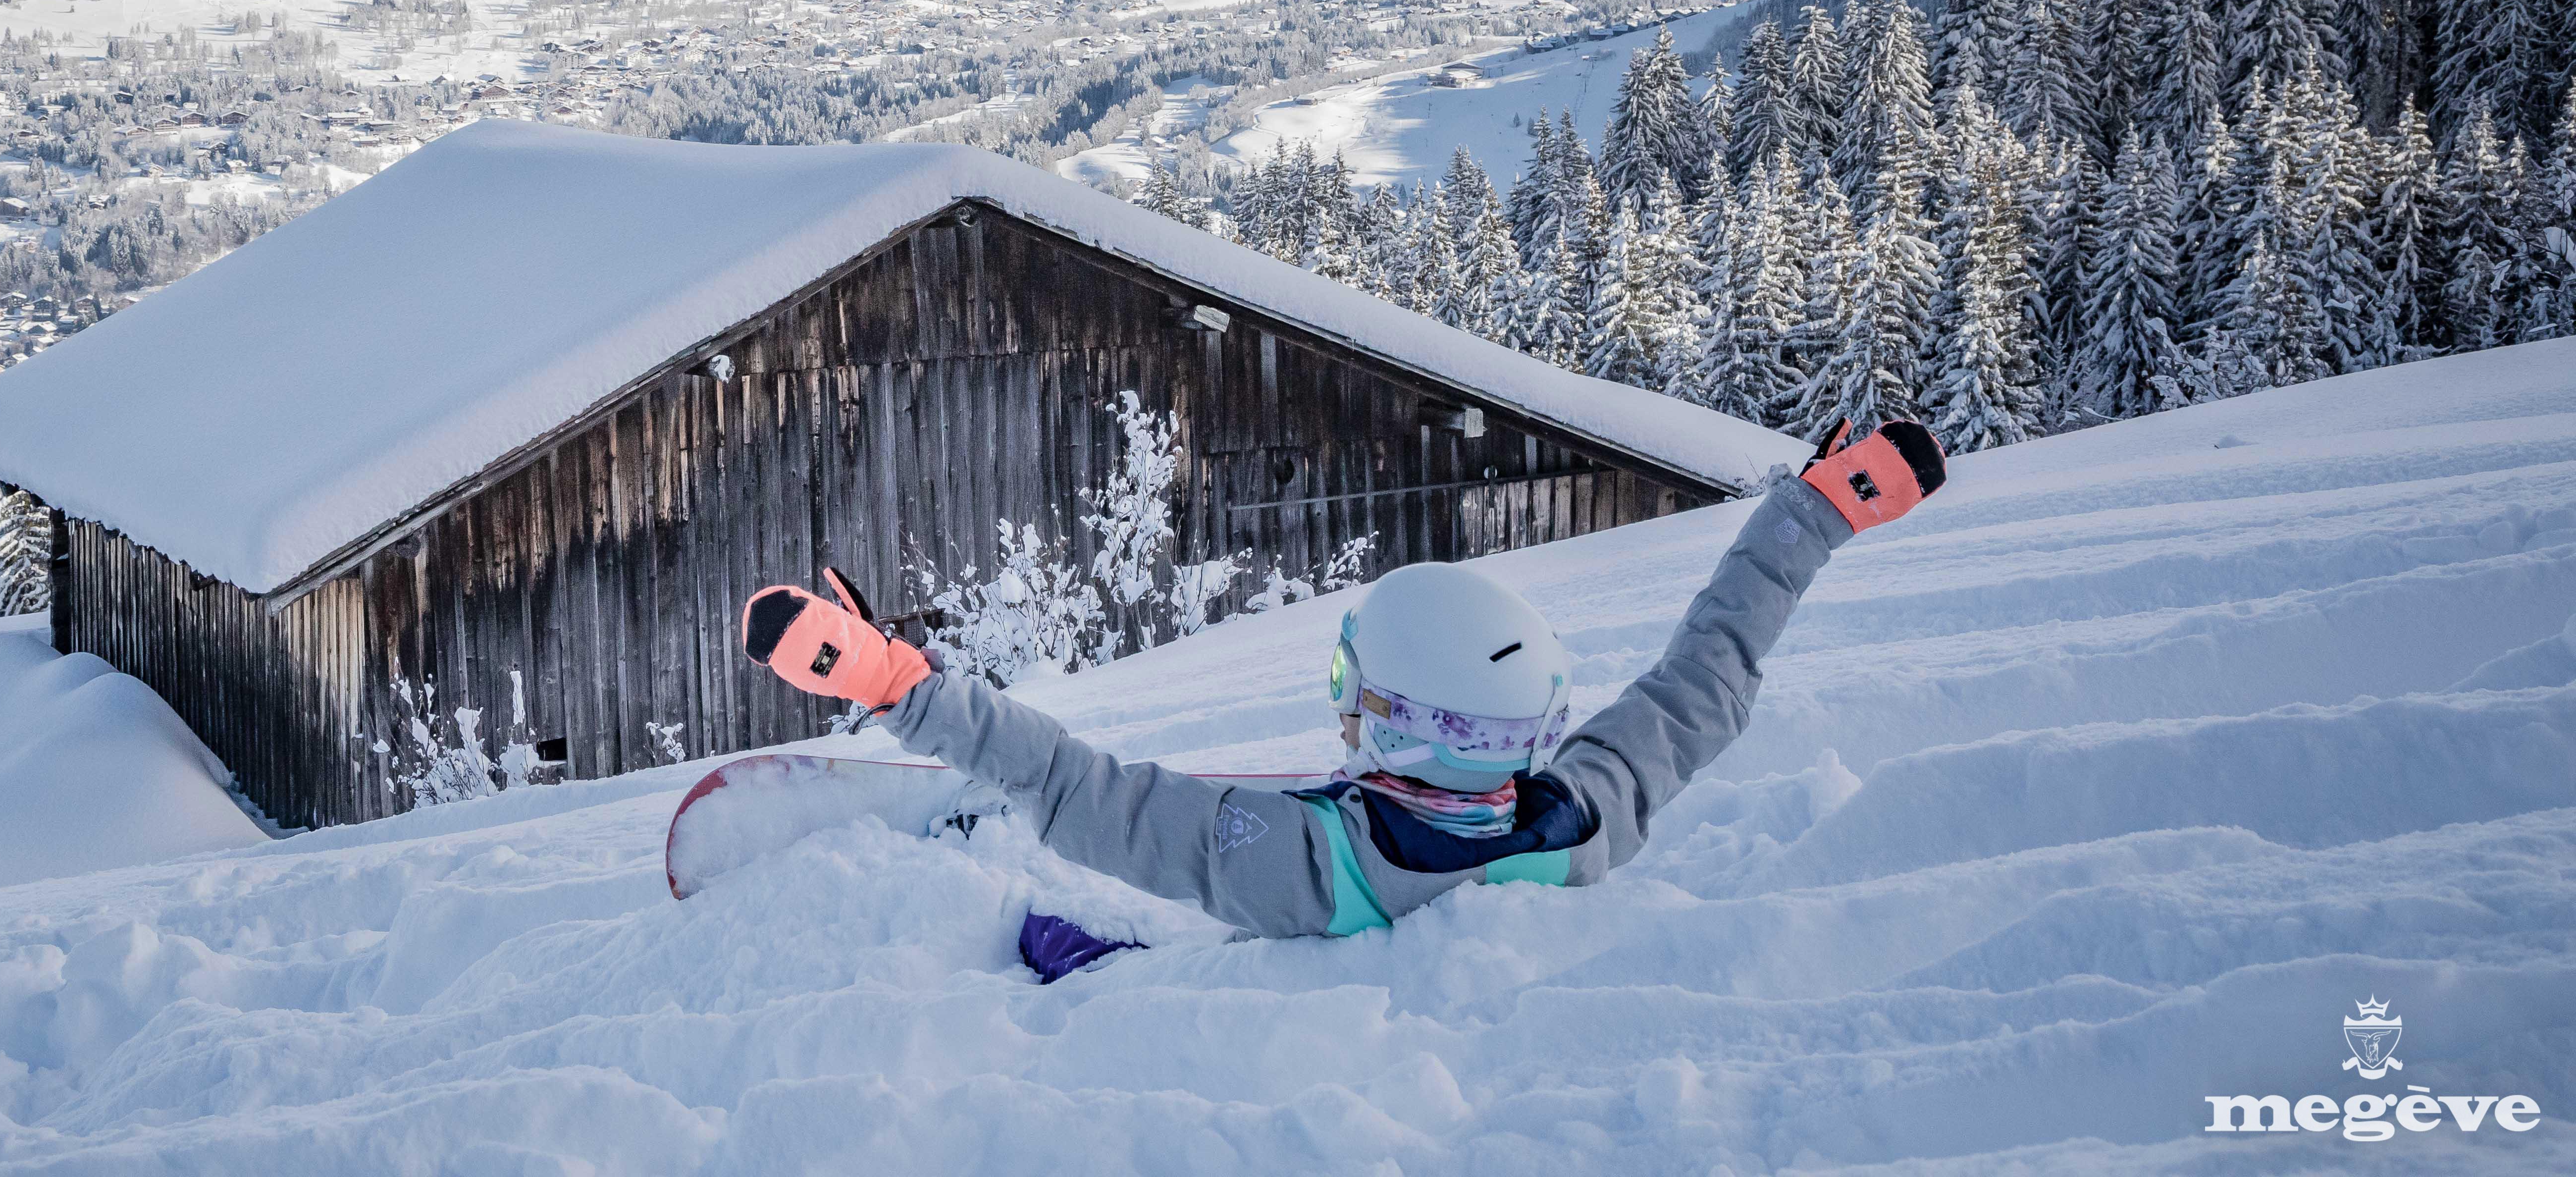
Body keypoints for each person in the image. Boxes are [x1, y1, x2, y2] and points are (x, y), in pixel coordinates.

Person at [738, 416, 1946, 963]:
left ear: (1393, 717)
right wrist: (1814, 514)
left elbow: (1072, 789)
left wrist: (904, 683)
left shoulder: (1301, 859)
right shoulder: (1596, 808)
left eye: (1351, 688)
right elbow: (1709, 672)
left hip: (1250, 982)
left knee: (1078, 949)